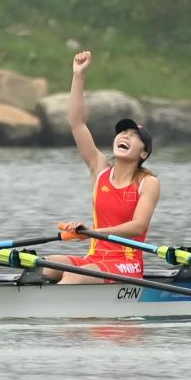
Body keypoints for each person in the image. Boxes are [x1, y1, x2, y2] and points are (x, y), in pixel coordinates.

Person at [47, 50, 161, 283]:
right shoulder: (99, 170)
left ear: (144, 152)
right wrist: (78, 75)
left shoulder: (148, 183)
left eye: (133, 135)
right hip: (95, 256)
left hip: (126, 263)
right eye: (122, 132)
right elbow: (77, 123)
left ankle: (60, 313)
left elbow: (138, 227)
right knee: (44, 266)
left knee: (73, 277)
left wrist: (90, 231)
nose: (125, 136)